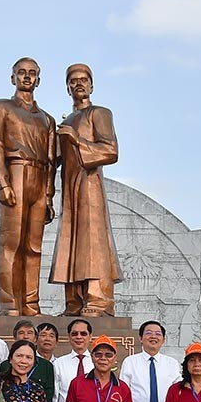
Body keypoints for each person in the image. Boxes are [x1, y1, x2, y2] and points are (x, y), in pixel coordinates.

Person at [0, 56, 56, 317]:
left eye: (32, 73)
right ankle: (10, 305)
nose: (27, 77)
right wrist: (2, 182)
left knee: (33, 246)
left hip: (39, 176)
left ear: (39, 79)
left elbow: (51, 160)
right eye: (22, 72)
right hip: (15, 170)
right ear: (12, 76)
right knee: (11, 243)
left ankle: (30, 304)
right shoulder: (1, 107)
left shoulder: (47, 119)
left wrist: (49, 194)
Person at [50, 63, 119, 316]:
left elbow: (111, 151)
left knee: (92, 240)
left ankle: (98, 299)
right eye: (73, 81)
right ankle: (75, 301)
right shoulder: (66, 121)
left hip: (90, 184)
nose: (78, 84)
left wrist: (75, 139)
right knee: (71, 241)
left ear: (91, 85)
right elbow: (54, 158)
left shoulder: (99, 113)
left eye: (83, 79)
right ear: (67, 88)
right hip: (70, 188)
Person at [0, 319, 55, 402]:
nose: (26, 336)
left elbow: (49, 395)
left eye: (30, 333)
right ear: (15, 337)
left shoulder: (46, 365)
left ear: (35, 339)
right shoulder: (6, 364)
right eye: (21, 333)